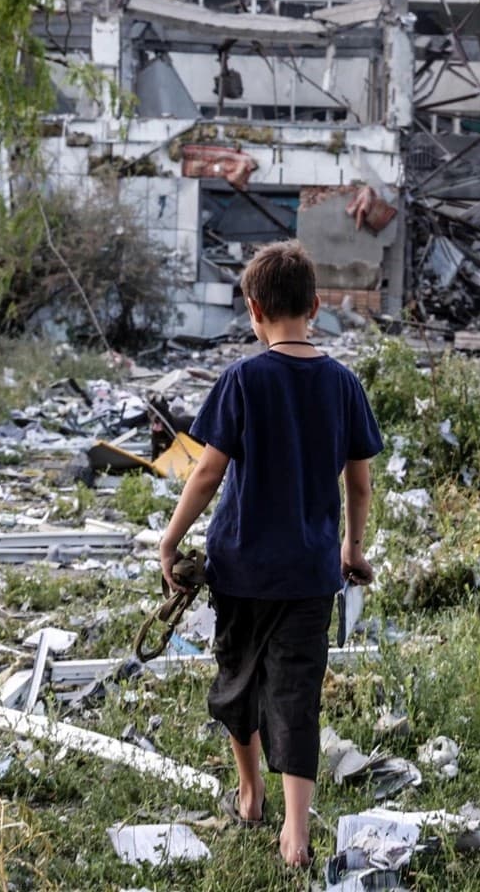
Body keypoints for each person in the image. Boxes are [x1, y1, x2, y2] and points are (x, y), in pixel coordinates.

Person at [157, 240, 382, 869]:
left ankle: (250, 791)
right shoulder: (342, 383)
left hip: (242, 569)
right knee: (297, 694)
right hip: (312, 575)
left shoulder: (242, 379)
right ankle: (296, 834)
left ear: (253, 310)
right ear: (314, 307)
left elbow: (205, 475)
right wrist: (352, 549)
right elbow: (358, 481)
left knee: (238, 683)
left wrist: (170, 541)